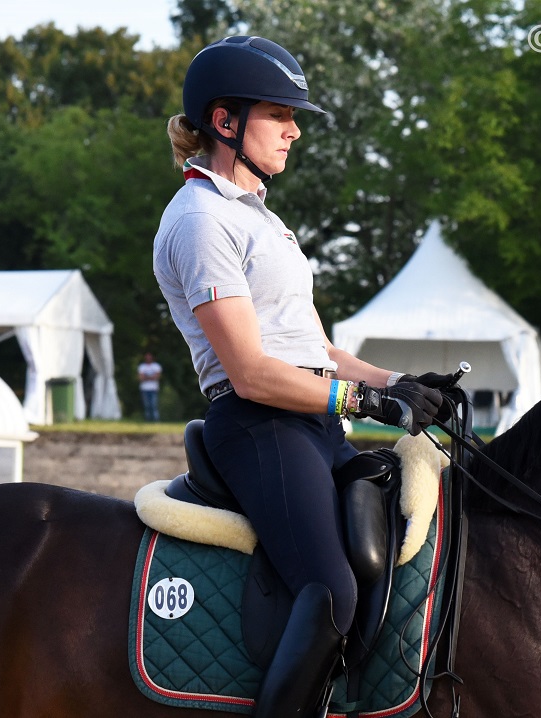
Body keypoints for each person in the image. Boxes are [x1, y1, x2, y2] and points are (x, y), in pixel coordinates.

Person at [154, 35, 453, 718]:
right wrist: (367, 399)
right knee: (329, 588)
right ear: (225, 122)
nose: (293, 130)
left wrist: (405, 384)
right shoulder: (201, 221)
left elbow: (320, 351)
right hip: (260, 426)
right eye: (277, 115)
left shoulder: (262, 222)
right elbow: (253, 372)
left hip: (313, 424)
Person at [137, 352, 163, 421]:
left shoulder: (156, 366)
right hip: (145, 389)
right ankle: (148, 420)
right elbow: (141, 378)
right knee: (147, 405)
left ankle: (155, 419)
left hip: (153, 389)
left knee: (154, 405)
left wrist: (146, 377)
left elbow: (157, 376)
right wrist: (151, 377)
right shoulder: (142, 366)